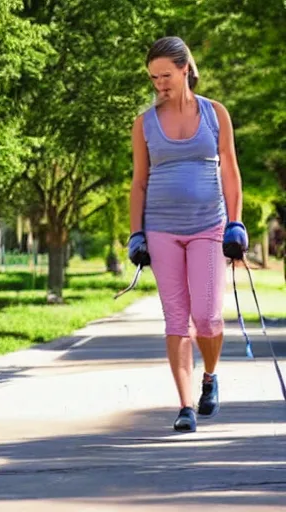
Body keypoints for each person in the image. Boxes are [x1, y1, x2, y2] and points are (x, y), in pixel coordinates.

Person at [128, 36, 249, 432]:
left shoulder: (215, 114)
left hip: (209, 226)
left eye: (165, 75)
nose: (159, 83)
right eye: (152, 78)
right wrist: (136, 233)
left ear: (185, 70)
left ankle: (209, 377)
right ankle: (185, 406)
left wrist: (236, 221)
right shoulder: (144, 123)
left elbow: (230, 170)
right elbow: (139, 183)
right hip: (162, 228)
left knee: (209, 319)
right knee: (176, 320)